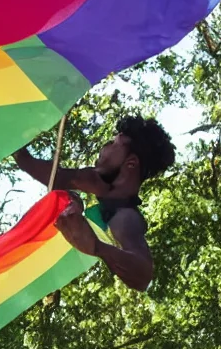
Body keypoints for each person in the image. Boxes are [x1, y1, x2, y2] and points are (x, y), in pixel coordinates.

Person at [12, 116, 176, 291]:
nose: (105, 146)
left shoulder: (124, 217)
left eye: (114, 143)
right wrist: (15, 145)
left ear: (131, 163)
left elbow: (143, 276)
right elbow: (51, 173)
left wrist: (97, 247)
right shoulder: (94, 184)